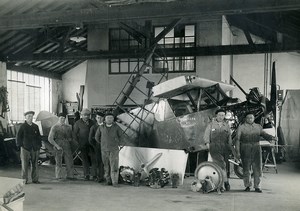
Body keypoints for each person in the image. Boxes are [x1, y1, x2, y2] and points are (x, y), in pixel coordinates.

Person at [235, 112, 277, 193]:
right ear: (245, 119)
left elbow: (264, 135)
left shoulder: (258, 127)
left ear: (254, 118)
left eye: (252, 117)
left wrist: (272, 138)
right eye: (248, 118)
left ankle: (257, 186)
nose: (250, 119)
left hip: (256, 148)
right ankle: (247, 186)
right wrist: (238, 152)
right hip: (245, 148)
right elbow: (237, 140)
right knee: (246, 169)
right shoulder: (241, 127)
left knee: (257, 168)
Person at [203, 109, 232, 193]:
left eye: (223, 115)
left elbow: (229, 137)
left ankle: (224, 183)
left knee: (223, 166)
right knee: (217, 167)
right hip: (214, 148)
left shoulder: (226, 125)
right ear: (216, 115)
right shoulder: (211, 125)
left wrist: (229, 147)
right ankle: (222, 184)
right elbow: (206, 135)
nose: (221, 117)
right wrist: (208, 144)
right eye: (219, 115)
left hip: (224, 148)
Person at [95, 113, 123, 187]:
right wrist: (103, 143)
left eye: (111, 118)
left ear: (113, 119)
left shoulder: (116, 127)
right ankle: (108, 181)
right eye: (108, 118)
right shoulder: (101, 127)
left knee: (114, 166)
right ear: (105, 119)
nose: (109, 119)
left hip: (114, 150)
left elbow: (122, 137)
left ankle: (114, 182)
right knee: (106, 166)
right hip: (104, 149)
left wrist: (119, 144)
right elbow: (97, 137)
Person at [16, 111, 42, 184]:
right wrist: (20, 146)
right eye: (28, 116)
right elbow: (18, 137)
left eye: (31, 116)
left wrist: (39, 146)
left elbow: (39, 137)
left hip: (34, 148)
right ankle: (24, 180)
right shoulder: (22, 126)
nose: (30, 118)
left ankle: (35, 179)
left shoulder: (35, 126)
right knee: (24, 165)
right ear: (25, 118)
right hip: (25, 148)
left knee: (35, 164)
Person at [48, 113, 75, 180]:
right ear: (58, 118)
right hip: (58, 144)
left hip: (66, 144)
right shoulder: (54, 127)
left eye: (64, 118)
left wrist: (70, 140)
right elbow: (50, 138)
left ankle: (70, 175)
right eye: (61, 118)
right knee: (58, 161)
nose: (62, 119)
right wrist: (56, 146)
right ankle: (58, 176)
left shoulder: (68, 127)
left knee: (69, 160)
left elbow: (71, 137)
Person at [73, 108, 95, 180]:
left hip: (92, 144)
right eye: (85, 115)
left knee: (93, 159)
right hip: (82, 144)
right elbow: (74, 134)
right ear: (81, 115)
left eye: (88, 115)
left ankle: (94, 174)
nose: (86, 117)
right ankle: (86, 174)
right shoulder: (77, 123)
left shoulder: (92, 122)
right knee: (85, 160)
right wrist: (77, 143)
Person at [89, 112, 105, 182]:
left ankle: (105, 176)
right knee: (98, 162)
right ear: (95, 118)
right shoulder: (93, 127)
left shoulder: (106, 126)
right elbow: (90, 139)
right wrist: (95, 146)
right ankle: (99, 176)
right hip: (97, 147)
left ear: (103, 118)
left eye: (101, 118)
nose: (99, 119)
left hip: (105, 147)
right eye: (98, 118)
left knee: (105, 162)